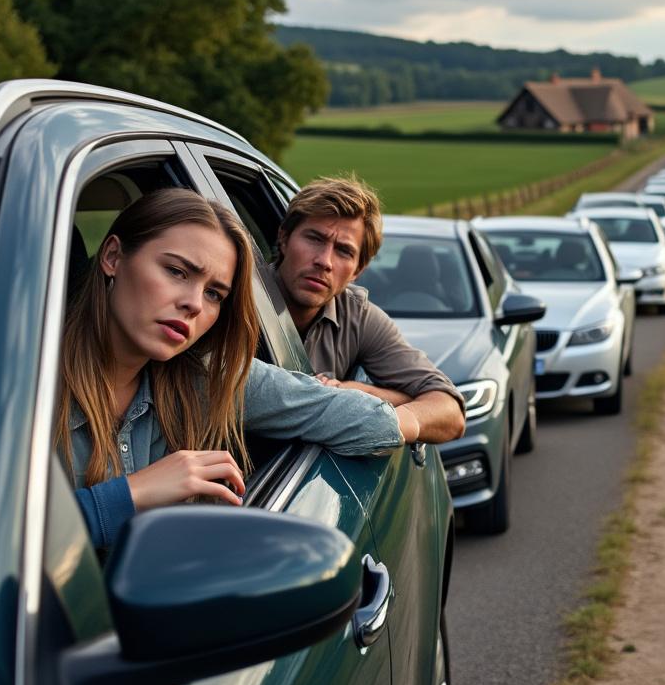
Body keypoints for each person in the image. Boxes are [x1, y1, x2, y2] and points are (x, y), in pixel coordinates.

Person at [57, 188, 419, 549]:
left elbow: (375, 424)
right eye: (177, 271)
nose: (194, 304)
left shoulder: (208, 379)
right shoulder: (33, 380)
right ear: (113, 257)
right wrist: (133, 493)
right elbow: (18, 540)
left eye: (214, 294)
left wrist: (361, 390)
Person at [273, 175, 465, 443]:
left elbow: (451, 413)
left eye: (343, 251)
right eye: (315, 239)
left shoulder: (357, 316)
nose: (325, 261)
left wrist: (361, 398)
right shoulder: (238, 295)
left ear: (358, 271)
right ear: (284, 238)